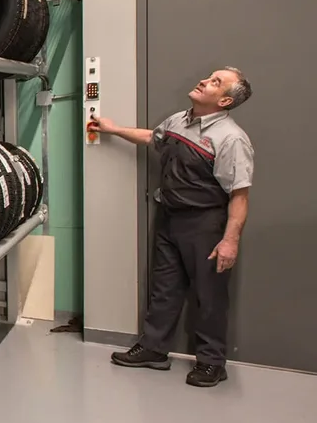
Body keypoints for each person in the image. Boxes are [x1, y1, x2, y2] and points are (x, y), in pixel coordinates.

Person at [88, 67, 254, 387]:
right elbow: (153, 137)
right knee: (164, 287)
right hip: (169, 217)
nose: (204, 81)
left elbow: (240, 195)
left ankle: (212, 362)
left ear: (225, 101)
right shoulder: (180, 120)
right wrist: (113, 129)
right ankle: (154, 349)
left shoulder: (231, 139)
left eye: (215, 82)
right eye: (210, 77)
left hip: (206, 224)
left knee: (209, 295)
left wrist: (230, 240)